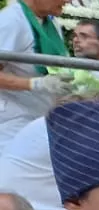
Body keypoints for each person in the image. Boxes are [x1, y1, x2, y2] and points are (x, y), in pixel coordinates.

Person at [0, 0, 70, 151]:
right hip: (10, 124)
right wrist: (35, 84)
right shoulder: (10, 20)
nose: (69, 1)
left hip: (41, 119)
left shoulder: (52, 25)